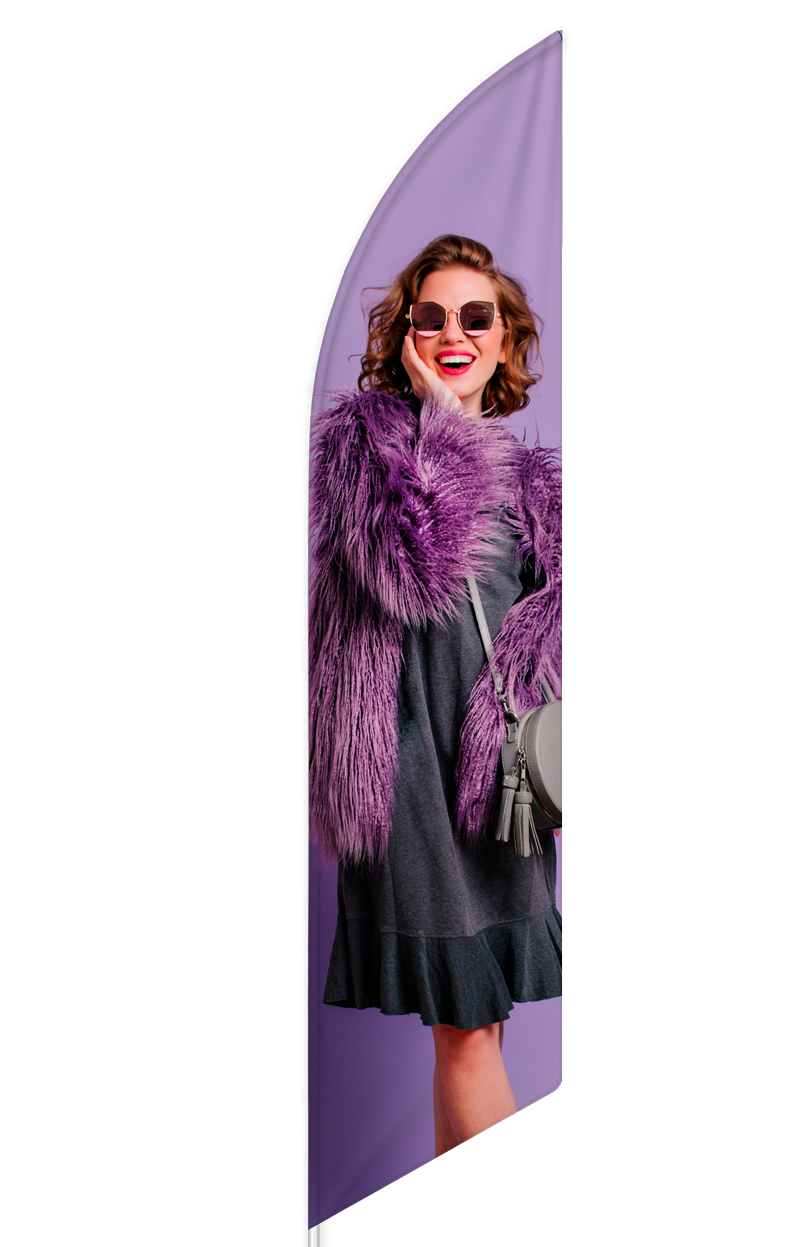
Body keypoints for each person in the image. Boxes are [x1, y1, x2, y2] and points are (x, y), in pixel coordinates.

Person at [308, 234, 561, 1156]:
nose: (455, 333)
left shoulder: (534, 483)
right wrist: (443, 424)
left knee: (478, 1034)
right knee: (468, 1030)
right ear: (406, 338)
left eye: (476, 317)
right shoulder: (365, 449)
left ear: (507, 338)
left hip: (501, 783)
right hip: (410, 771)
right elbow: (412, 574)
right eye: (432, 317)